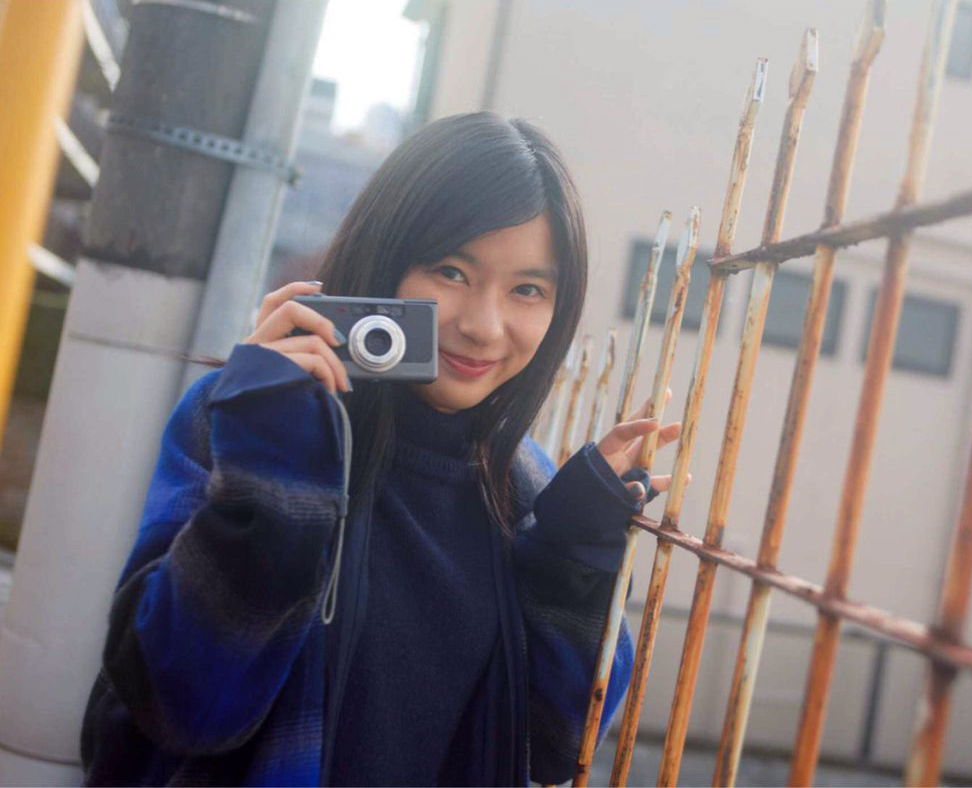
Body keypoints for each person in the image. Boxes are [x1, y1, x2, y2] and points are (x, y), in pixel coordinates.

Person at [80, 112, 682, 786]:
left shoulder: (523, 486)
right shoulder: (243, 422)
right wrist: (275, 467)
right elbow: (180, 706)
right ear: (383, 255)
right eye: (451, 271)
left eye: (527, 289)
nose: (484, 326)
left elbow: (557, 748)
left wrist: (573, 548)